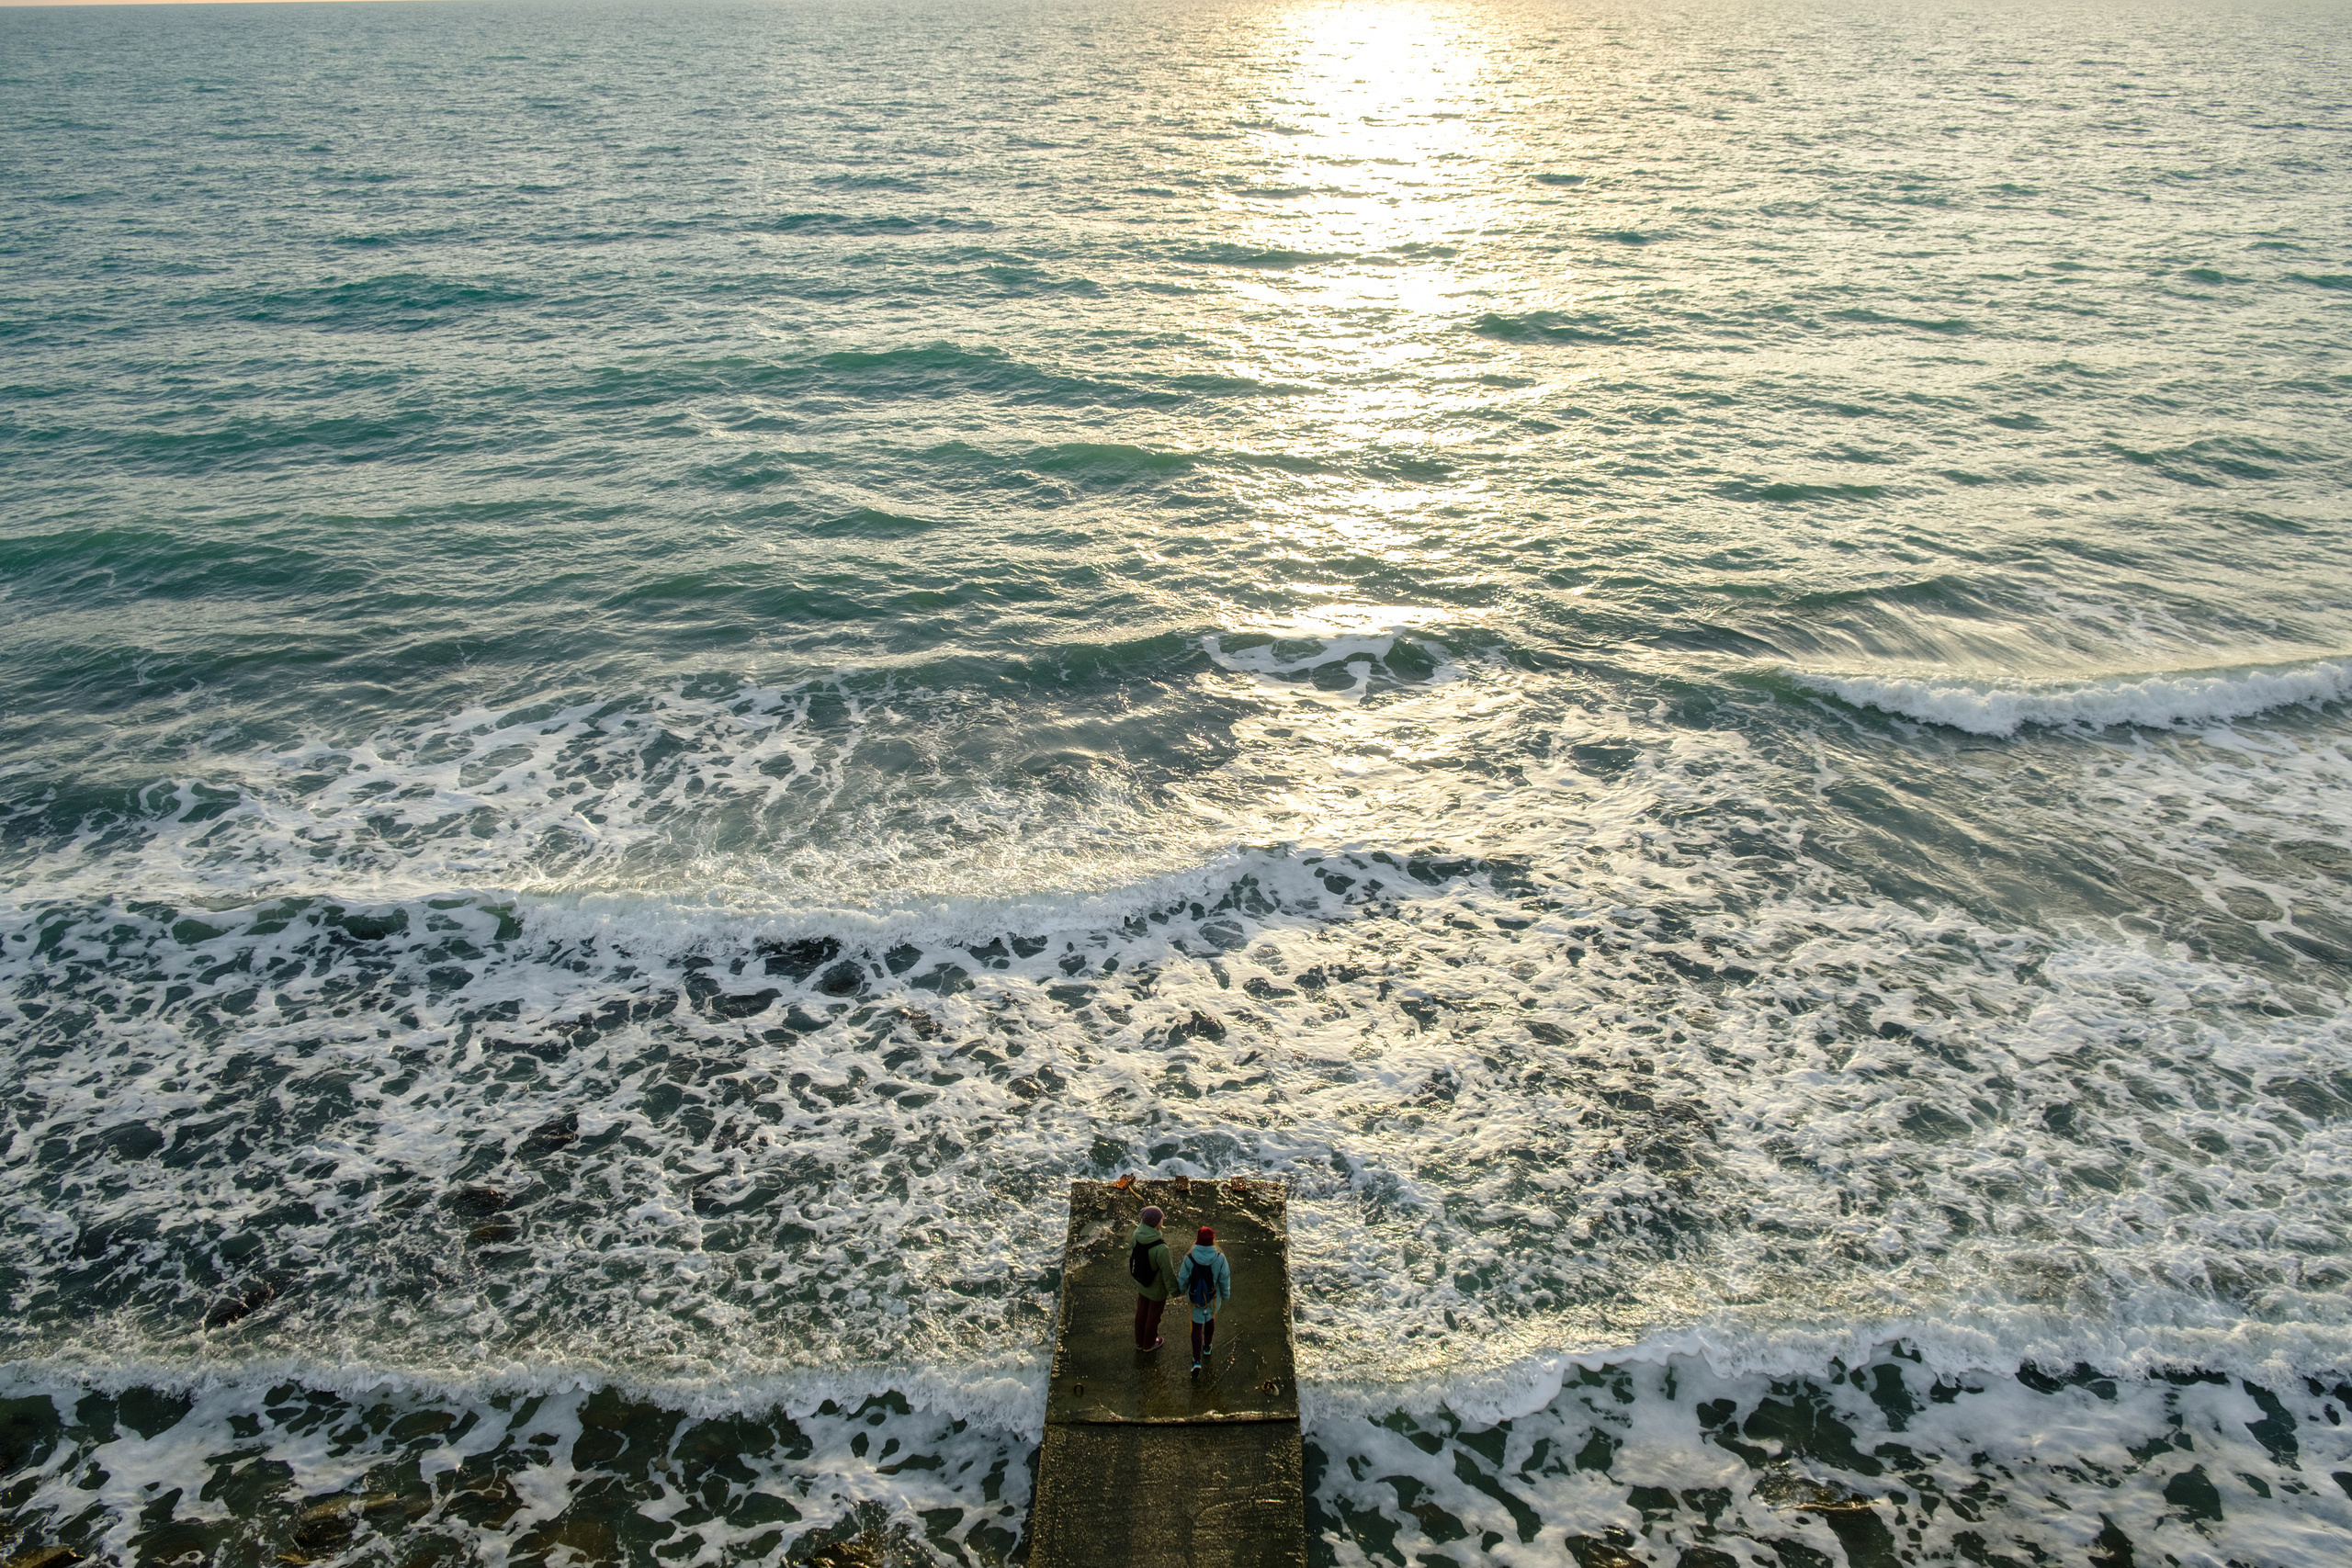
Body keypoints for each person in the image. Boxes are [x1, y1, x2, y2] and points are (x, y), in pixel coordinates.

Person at [1175, 1224, 1231, 1373]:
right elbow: (1224, 1279)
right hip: (1212, 1299)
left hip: (1195, 1300)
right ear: (1213, 1241)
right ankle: (1207, 1347)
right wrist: (1225, 1295)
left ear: (1197, 1240)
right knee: (1210, 1320)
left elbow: (1183, 1278)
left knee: (1196, 1328)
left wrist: (1180, 1291)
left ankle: (1196, 1361)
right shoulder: (1220, 1257)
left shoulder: (1190, 1257)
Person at [1127, 1205, 1177, 1351]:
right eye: (1161, 1218)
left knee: (1141, 1311)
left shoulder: (1136, 1234)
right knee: (1153, 1316)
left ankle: (1139, 1342)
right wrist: (1175, 1290)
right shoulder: (1161, 1248)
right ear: (1155, 1222)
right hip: (1156, 1289)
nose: (1162, 1219)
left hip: (1142, 1282)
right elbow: (1168, 1273)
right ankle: (1149, 1344)